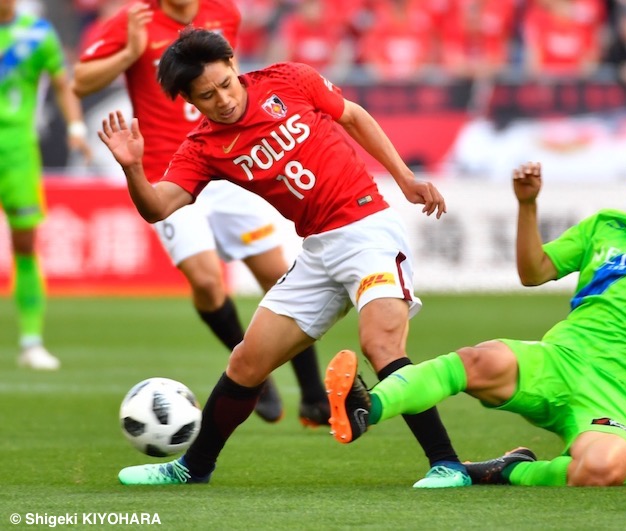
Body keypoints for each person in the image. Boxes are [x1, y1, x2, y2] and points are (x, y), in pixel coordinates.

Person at [99, 27, 469, 489]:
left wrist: (405, 178)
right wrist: (133, 167)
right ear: (191, 102)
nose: (223, 100)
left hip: (368, 232)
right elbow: (158, 207)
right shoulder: (203, 147)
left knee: (382, 346)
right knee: (246, 364)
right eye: (207, 96)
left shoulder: (289, 80)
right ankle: (189, 469)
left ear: (234, 64)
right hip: (316, 251)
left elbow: (354, 117)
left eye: (225, 85)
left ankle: (447, 464)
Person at [326, 139, 626, 487]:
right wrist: (527, 205)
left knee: (604, 469)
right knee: (476, 359)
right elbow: (533, 271)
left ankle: (510, 471)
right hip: (558, 359)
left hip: (615, 394)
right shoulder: (605, 226)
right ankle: (366, 408)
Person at [72, 0, 330, 426]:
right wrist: (129, 52)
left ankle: (312, 397)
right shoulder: (133, 19)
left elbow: (233, 78)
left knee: (278, 275)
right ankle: (254, 374)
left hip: (227, 164)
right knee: (208, 283)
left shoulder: (223, 12)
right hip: (169, 173)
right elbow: (80, 81)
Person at [1, 0, 92, 370]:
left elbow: (62, 82)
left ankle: (31, 340)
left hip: (19, 151)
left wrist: (75, 127)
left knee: (25, 243)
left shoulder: (37, 34)